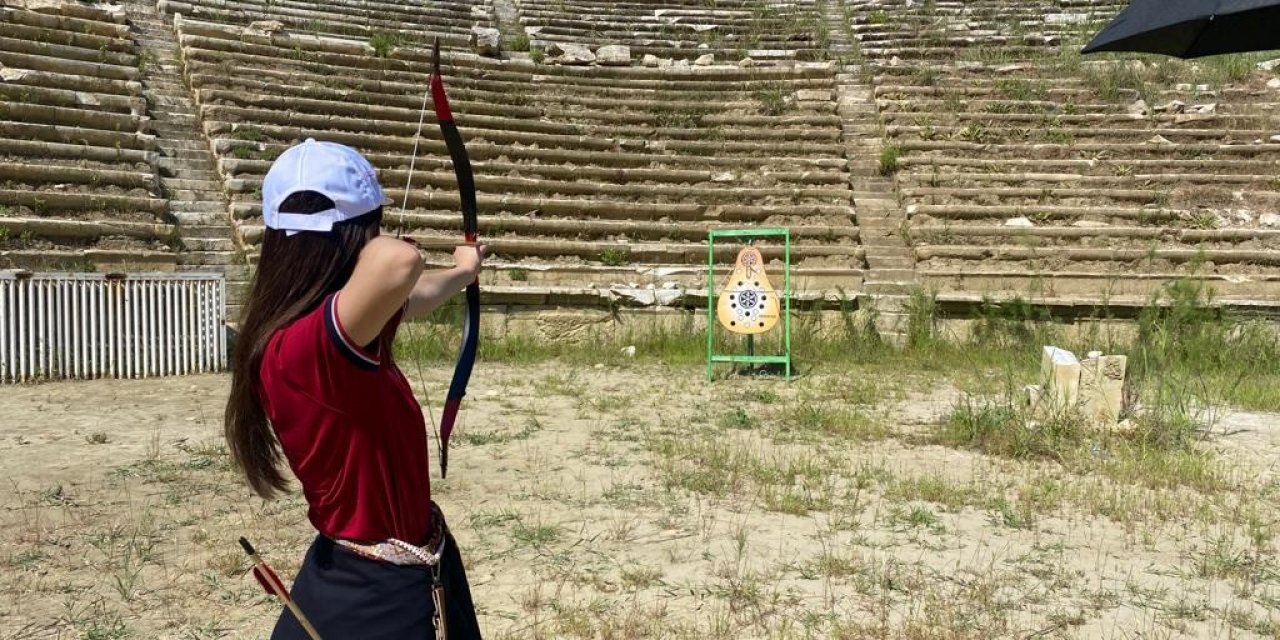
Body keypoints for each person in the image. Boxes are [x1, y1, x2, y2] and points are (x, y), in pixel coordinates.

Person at [223, 139, 485, 639]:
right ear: (353, 238)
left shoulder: (327, 324)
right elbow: (397, 266)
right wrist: (396, 247)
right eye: (372, 228)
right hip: (370, 597)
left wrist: (463, 271)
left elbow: (415, 292)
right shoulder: (303, 348)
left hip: (405, 571)